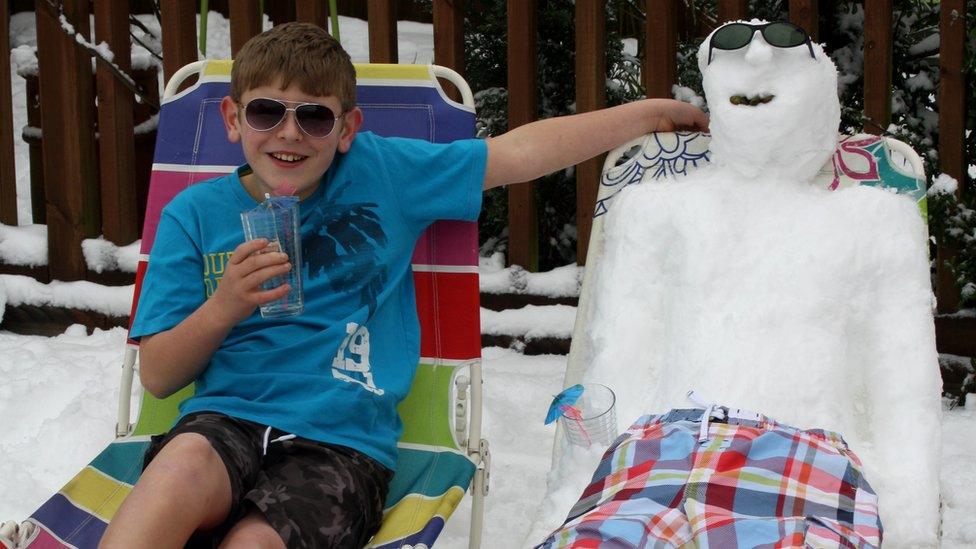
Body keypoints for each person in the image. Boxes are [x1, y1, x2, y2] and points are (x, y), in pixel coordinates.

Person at [99, 21, 708, 549]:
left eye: (314, 116)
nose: (289, 134)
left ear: (346, 129)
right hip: (221, 423)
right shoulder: (195, 214)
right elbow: (157, 375)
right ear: (234, 119)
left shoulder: (384, 171)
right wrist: (224, 307)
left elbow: (514, 155)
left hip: (338, 444)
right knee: (178, 467)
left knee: (257, 542)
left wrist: (646, 116)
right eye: (266, 111)